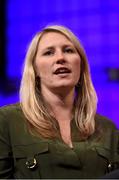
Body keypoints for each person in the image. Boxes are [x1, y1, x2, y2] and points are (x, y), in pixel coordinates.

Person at [0, 24, 119, 179]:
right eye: (49, 52)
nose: (60, 58)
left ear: (80, 65)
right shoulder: (7, 120)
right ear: (35, 70)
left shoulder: (108, 129)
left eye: (68, 50)